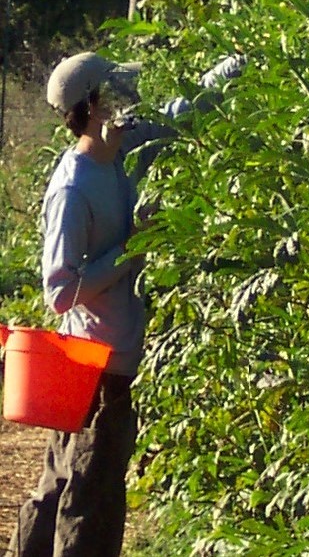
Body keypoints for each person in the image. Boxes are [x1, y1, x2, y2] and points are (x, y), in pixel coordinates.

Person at [6, 50, 243, 557]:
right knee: (90, 494)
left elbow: (180, 113)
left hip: (110, 353)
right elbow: (60, 292)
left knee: (65, 481)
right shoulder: (73, 187)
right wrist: (135, 243)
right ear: (93, 106)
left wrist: (232, 68)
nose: (128, 96)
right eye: (116, 89)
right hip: (96, 361)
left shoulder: (124, 146)